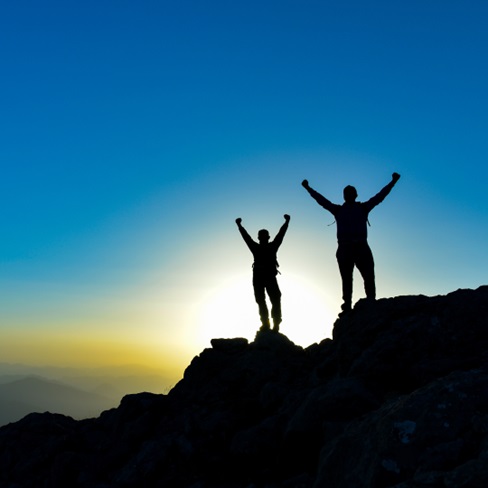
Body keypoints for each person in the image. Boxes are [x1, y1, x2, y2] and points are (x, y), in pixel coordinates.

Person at [302, 173, 400, 313]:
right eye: (347, 193)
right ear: (345, 196)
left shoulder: (362, 208)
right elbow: (321, 200)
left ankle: (370, 302)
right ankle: (347, 305)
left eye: (350, 193)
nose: (348, 195)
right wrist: (308, 188)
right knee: (347, 279)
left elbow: (380, 196)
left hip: (360, 247)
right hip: (345, 249)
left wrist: (393, 182)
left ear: (355, 195)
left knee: (368, 276)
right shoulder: (339, 210)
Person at [236, 214, 290, 332]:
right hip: (261, 277)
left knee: (272, 299)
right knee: (263, 300)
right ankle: (267, 324)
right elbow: (246, 237)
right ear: (263, 238)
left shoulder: (265, 247)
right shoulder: (263, 247)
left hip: (265, 276)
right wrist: (239, 226)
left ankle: (272, 324)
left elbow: (280, 235)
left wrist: (239, 225)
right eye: (263, 236)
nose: (264, 238)